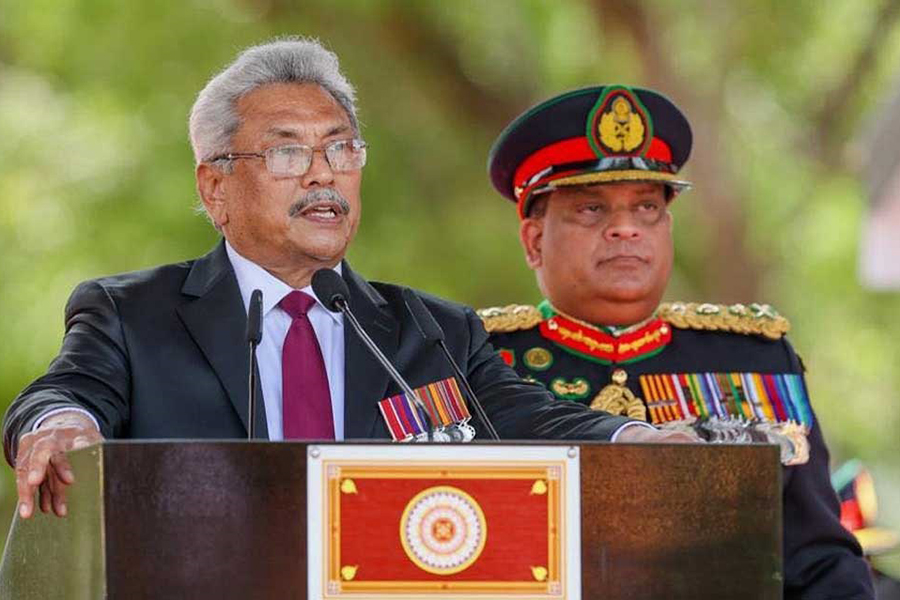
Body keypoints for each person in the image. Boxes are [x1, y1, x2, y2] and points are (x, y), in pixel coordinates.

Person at [2, 40, 691, 523]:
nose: (323, 173)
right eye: (287, 151)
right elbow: (68, 393)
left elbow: (530, 417)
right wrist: (62, 425)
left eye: (340, 147)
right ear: (215, 187)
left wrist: (641, 441)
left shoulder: (431, 331)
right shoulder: (132, 315)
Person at [479, 85, 875, 598]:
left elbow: (818, 558)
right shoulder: (478, 361)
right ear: (534, 241)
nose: (626, 229)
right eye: (592, 210)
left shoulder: (752, 357)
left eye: (646, 207)